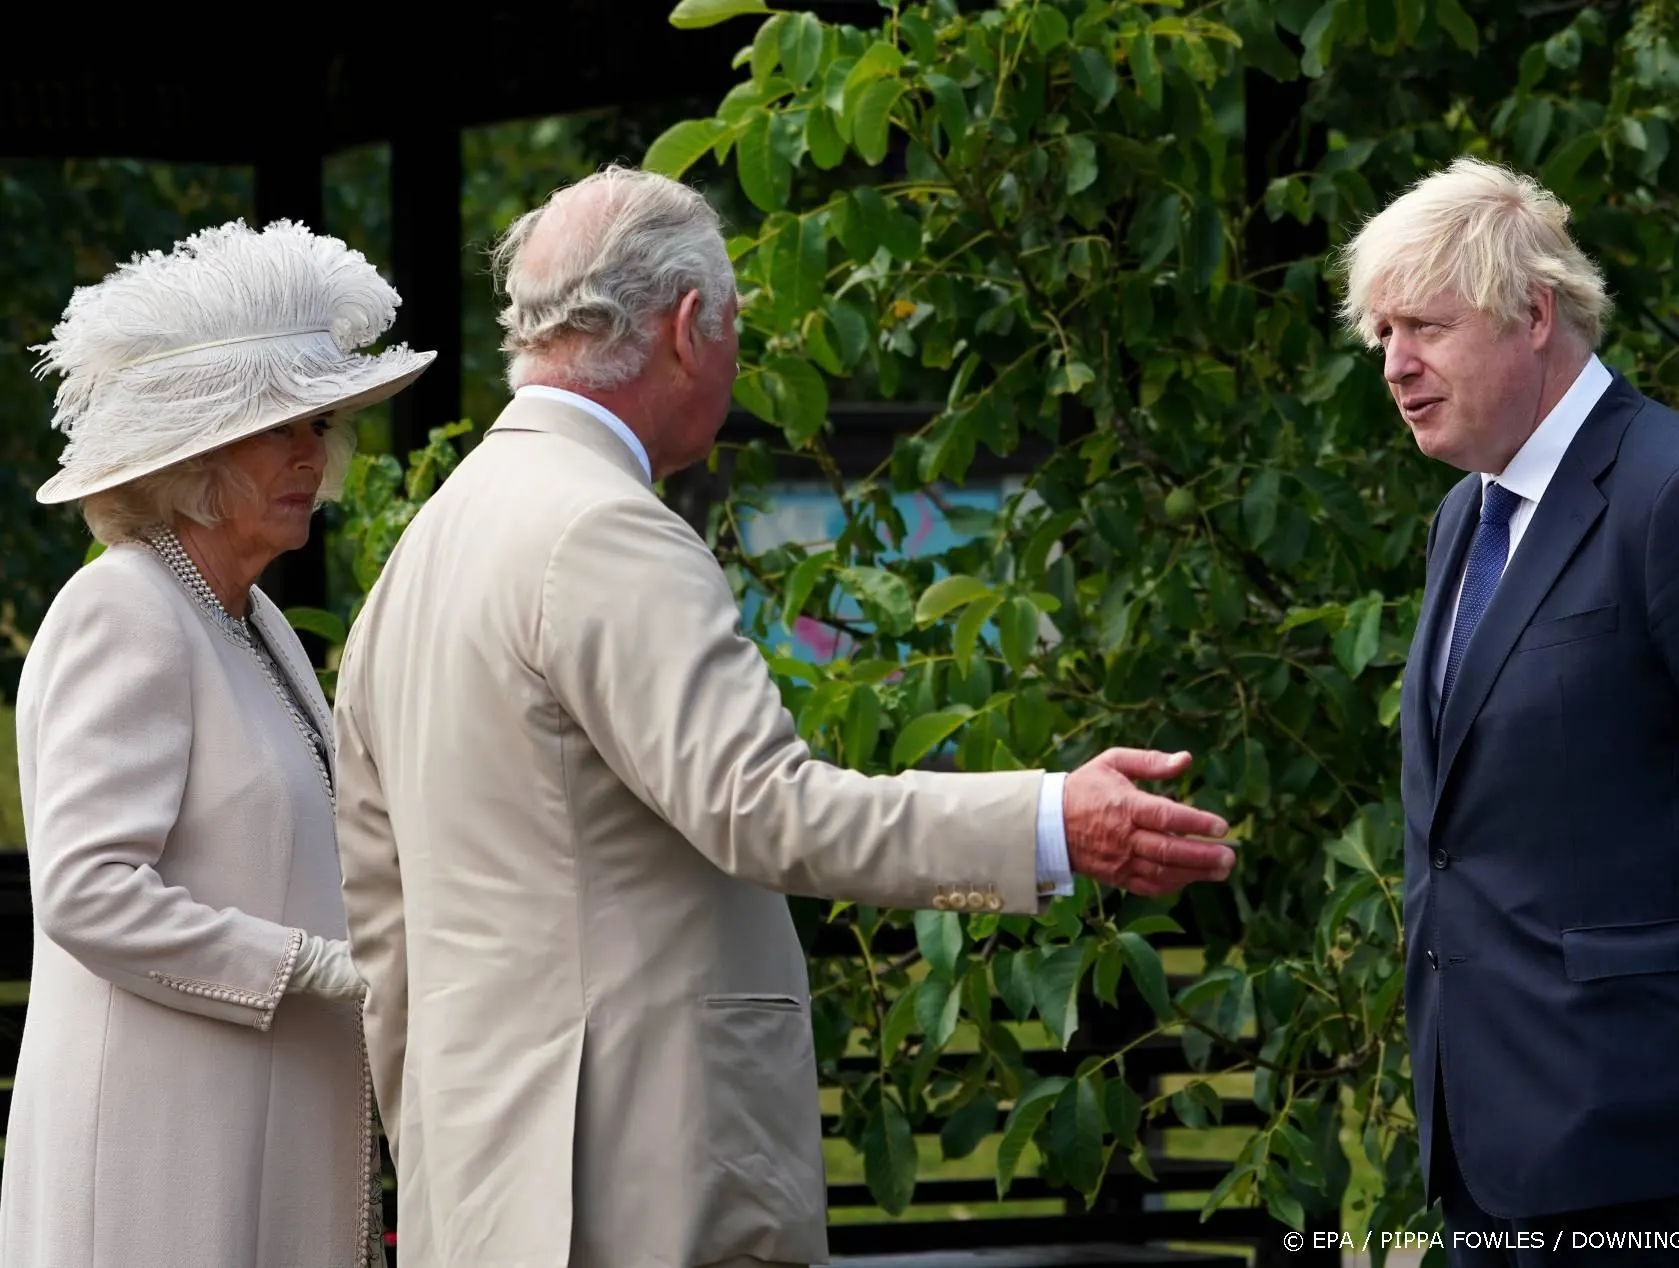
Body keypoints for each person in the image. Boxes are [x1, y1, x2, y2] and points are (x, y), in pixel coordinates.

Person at [329, 164, 1238, 1268]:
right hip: (643, 1182)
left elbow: (381, 920)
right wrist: (1048, 822)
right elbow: (764, 809)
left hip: (479, 1191)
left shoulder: (422, 551)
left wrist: (443, 1144)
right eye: (737, 325)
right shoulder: (602, 528)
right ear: (688, 324)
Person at [1339, 157, 1679, 1264]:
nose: (1394, 366)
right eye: (1380, 334)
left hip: (1651, 1143)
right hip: (1485, 1143)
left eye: (1424, 328)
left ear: (1534, 313)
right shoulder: (1463, 517)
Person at [2, 219, 435, 1268]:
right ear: (189, 456)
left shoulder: (244, 613)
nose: (311, 454)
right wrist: (321, 967)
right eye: (274, 428)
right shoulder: (126, 609)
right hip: (164, 1159)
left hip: (258, 1132)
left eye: (319, 424)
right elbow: (90, 890)